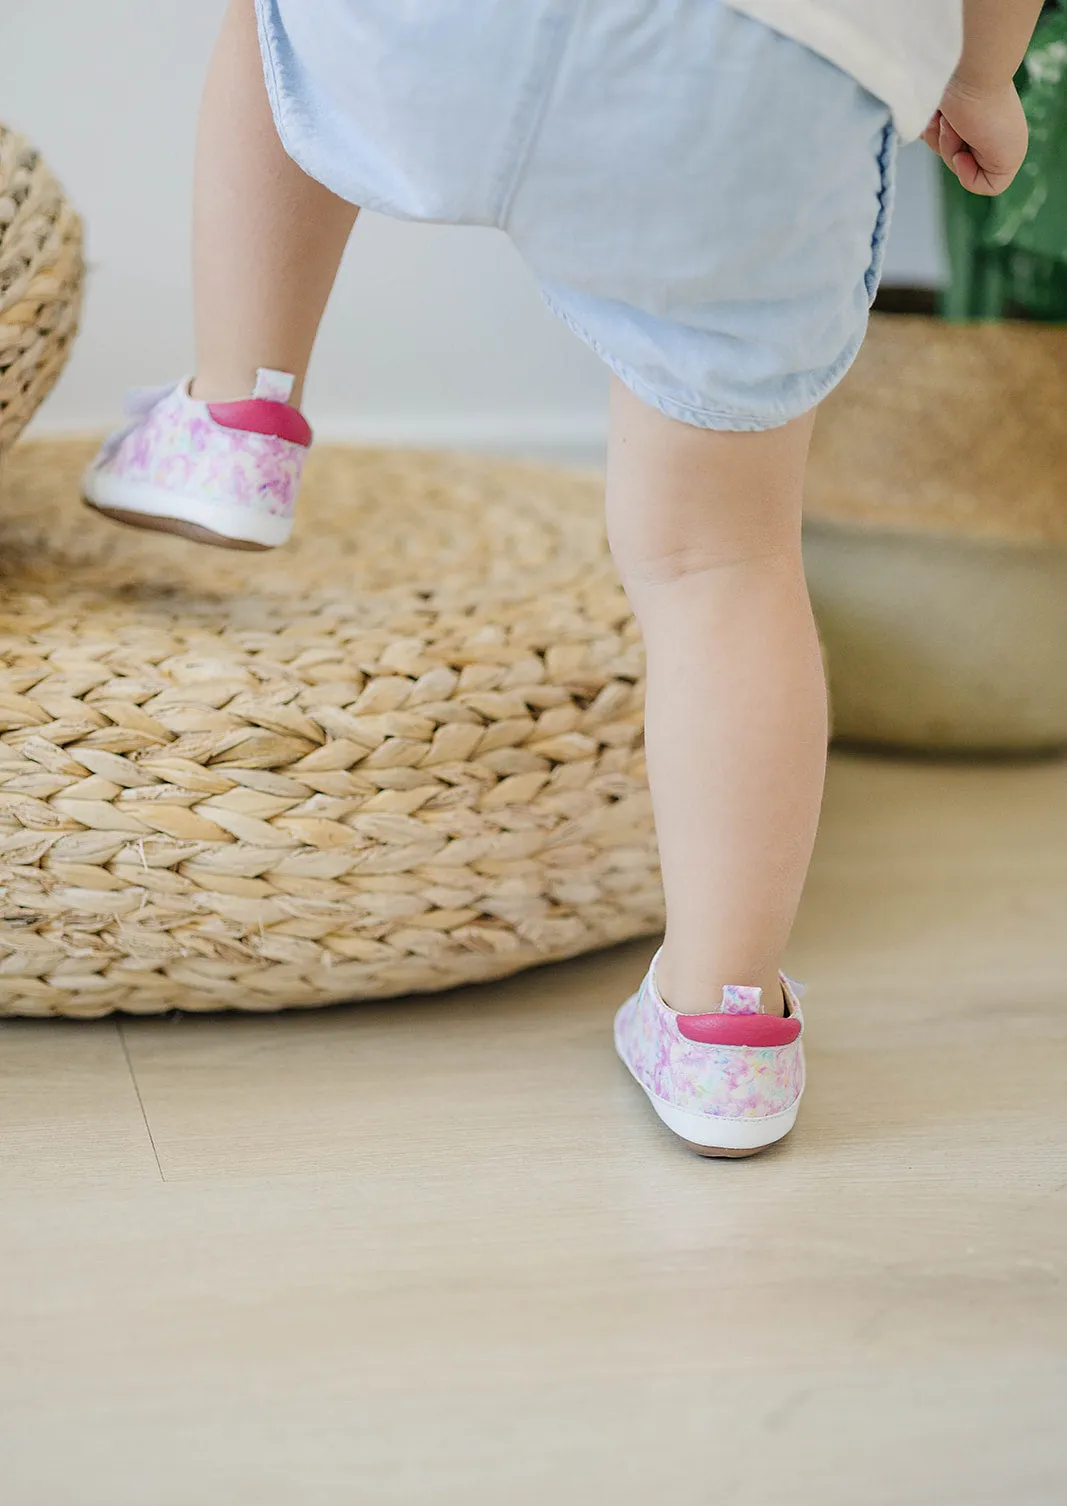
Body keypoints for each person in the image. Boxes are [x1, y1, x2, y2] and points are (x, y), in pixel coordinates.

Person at [82, 0, 1041, 1156]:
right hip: (759, 84)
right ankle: (720, 1028)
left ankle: (239, 406)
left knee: (275, 23)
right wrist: (980, 74)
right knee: (717, 562)